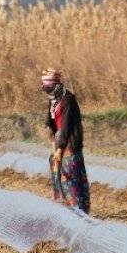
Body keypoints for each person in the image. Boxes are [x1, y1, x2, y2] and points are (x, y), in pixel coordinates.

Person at [41, 69, 90, 214]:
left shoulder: (68, 99)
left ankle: (79, 211)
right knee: (57, 174)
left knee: (70, 179)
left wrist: (60, 149)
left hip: (70, 145)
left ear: (56, 85)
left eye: (48, 86)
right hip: (59, 144)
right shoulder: (53, 100)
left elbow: (65, 127)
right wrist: (54, 147)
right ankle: (62, 208)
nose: (46, 90)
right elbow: (50, 123)